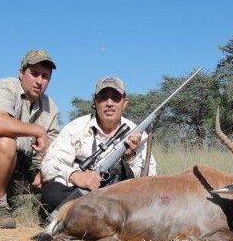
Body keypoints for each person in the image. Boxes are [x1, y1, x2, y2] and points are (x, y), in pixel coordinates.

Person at [41, 76, 157, 216]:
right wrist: (75, 175)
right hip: (86, 198)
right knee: (51, 192)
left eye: (116, 97)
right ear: (95, 101)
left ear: (124, 102)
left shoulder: (137, 133)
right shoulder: (75, 127)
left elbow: (151, 178)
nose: (109, 103)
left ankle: (90, 219)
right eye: (103, 97)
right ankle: (109, 220)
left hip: (120, 198)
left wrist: (130, 157)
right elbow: (48, 164)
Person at [0, 49, 59, 229]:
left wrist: (43, 170)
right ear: (21, 73)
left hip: (23, 166)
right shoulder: (6, 87)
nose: (39, 81)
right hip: (1, 159)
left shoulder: (49, 104)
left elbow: (53, 147)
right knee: (5, 142)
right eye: (34, 74)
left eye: (45, 76)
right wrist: (37, 130)